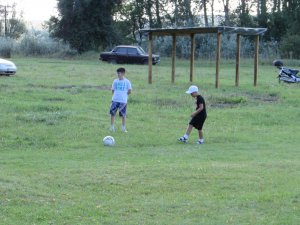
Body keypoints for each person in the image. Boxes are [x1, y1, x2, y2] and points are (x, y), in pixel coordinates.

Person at [109, 67, 132, 132]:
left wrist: (124, 95)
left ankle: (123, 127)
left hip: (123, 101)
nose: (118, 75)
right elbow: (113, 90)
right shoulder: (115, 81)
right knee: (112, 113)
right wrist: (116, 96)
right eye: (118, 73)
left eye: (119, 73)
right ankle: (112, 127)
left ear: (123, 73)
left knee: (123, 115)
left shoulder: (127, 82)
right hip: (115, 100)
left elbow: (130, 91)